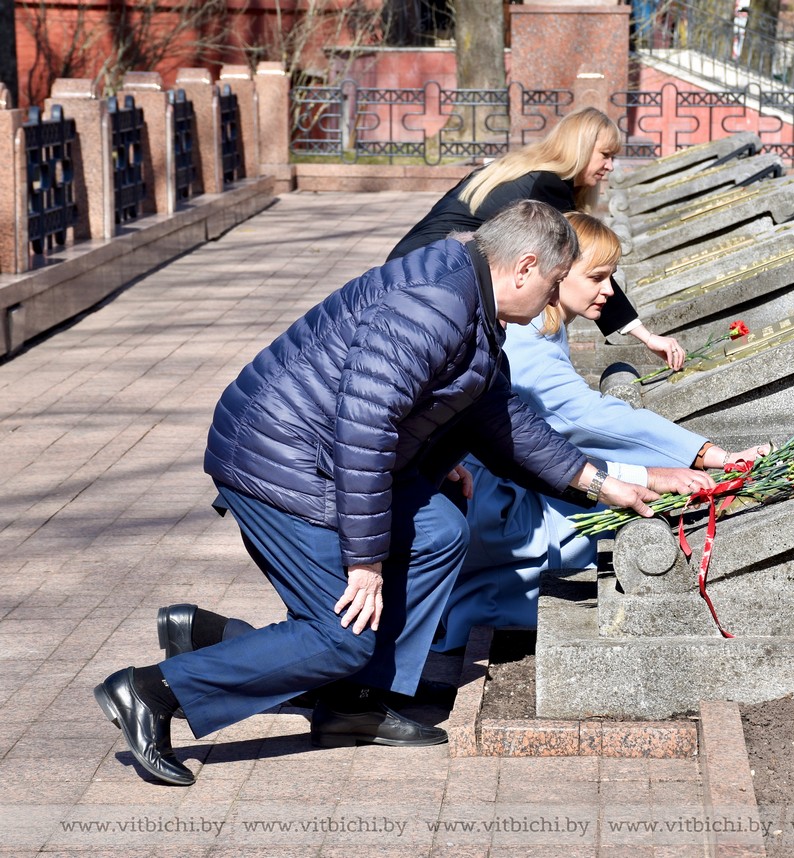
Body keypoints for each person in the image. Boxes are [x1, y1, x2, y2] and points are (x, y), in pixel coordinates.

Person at [93, 200, 662, 786]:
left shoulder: (473, 292)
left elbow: (496, 415)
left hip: (320, 456)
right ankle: (152, 691)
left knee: (439, 531)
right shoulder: (436, 303)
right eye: (548, 285)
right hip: (277, 459)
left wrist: (597, 482)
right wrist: (364, 563)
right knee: (339, 637)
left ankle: (353, 705)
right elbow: (364, 428)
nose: (550, 301)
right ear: (522, 267)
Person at [433, 212, 769, 651]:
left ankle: (457, 610)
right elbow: (586, 416)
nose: (610, 292)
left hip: (496, 484)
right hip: (490, 502)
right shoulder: (528, 335)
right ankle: (462, 612)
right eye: (598, 277)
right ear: (557, 271)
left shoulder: (540, 323)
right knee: (590, 526)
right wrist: (705, 455)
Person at [389, 106, 689, 372]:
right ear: (582, 148)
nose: (610, 166)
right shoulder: (548, 185)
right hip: (434, 279)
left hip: (412, 264)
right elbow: (585, 262)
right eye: (605, 156)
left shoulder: (526, 168)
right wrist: (646, 336)